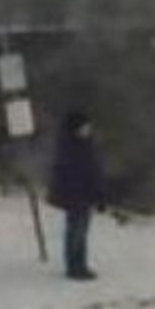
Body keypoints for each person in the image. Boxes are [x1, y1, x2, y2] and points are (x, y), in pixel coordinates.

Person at [47, 109, 107, 281]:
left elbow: (94, 171)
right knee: (76, 231)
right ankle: (74, 266)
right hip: (76, 195)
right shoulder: (71, 147)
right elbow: (78, 172)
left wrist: (98, 195)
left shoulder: (85, 144)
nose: (88, 129)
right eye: (85, 126)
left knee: (80, 231)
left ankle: (79, 264)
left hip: (83, 195)